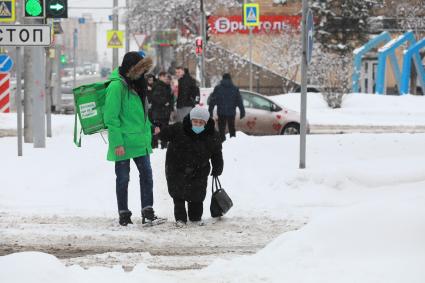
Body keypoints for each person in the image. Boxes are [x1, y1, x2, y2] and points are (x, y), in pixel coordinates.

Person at [104, 51, 164, 226]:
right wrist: (117, 143)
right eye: (140, 70)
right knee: (123, 179)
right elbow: (111, 118)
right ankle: (124, 215)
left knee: (147, 175)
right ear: (131, 69)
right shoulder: (117, 87)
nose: (143, 74)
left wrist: (151, 127)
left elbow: (140, 114)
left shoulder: (138, 84)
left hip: (139, 140)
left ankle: (148, 212)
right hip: (122, 142)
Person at [157, 107, 223, 227]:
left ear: (206, 122)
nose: (197, 124)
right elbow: (163, 135)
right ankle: (180, 219)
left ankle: (195, 217)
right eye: (195, 121)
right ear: (191, 120)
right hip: (176, 169)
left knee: (197, 197)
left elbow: (217, 153)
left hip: (199, 171)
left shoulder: (212, 135)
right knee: (178, 195)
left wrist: (217, 167)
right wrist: (159, 130)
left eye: (201, 122)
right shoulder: (179, 129)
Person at [208, 73, 245, 142]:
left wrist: (210, 112)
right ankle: (233, 140)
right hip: (231, 112)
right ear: (230, 79)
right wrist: (242, 111)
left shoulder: (218, 88)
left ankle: (222, 141)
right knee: (231, 127)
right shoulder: (235, 88)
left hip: (221, 112)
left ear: (222, 79)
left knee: (221, 128)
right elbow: (239, 101)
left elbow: (212, 101)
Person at [150, 71, 174, 149]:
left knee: (164, 128)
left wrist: (170, 106)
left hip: (164, 112)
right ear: (160, 77)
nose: (165, 78)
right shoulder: (158, 85)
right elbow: (155, 97)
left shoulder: (166, 86)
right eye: (164, 76)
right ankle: (155, 144)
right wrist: (165, 102)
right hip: (158, 111)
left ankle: (163, 144)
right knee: (158, 128)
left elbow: (170, 97)